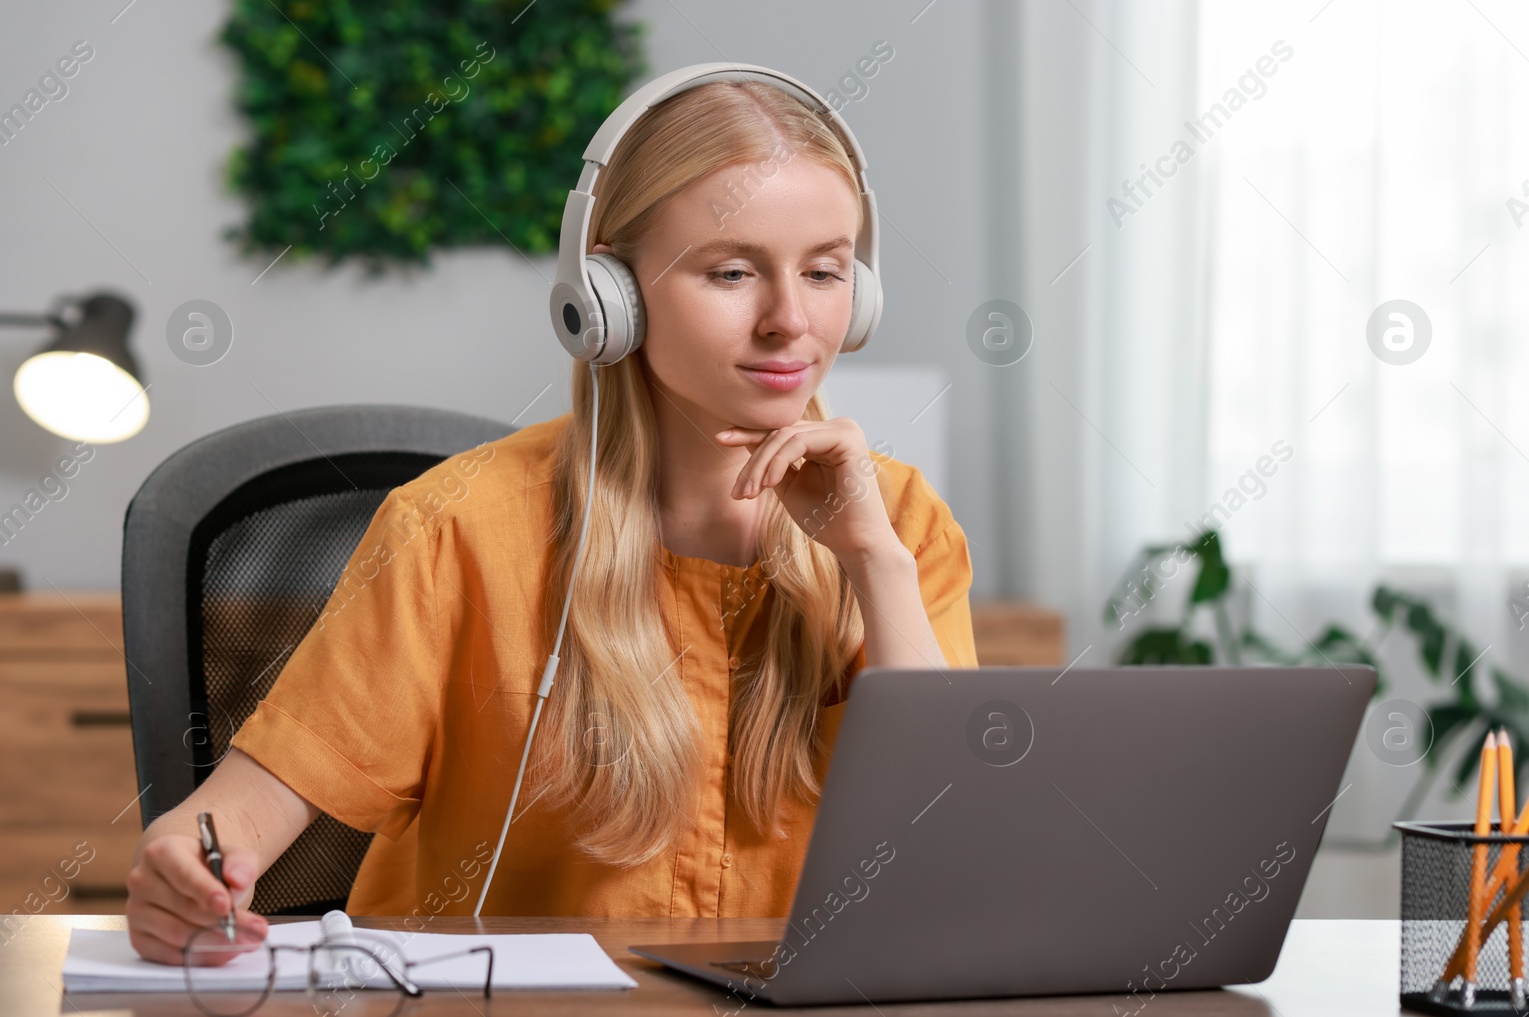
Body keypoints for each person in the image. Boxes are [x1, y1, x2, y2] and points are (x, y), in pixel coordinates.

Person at [125, 73, 977, 966]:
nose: (791, 321)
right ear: (610, 293)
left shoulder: (902, 523)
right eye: (732, 271)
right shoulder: (454, 530)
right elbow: (236, 817)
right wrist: (181, 864)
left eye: (825, 271)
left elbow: (952, 855)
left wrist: (872, 561)